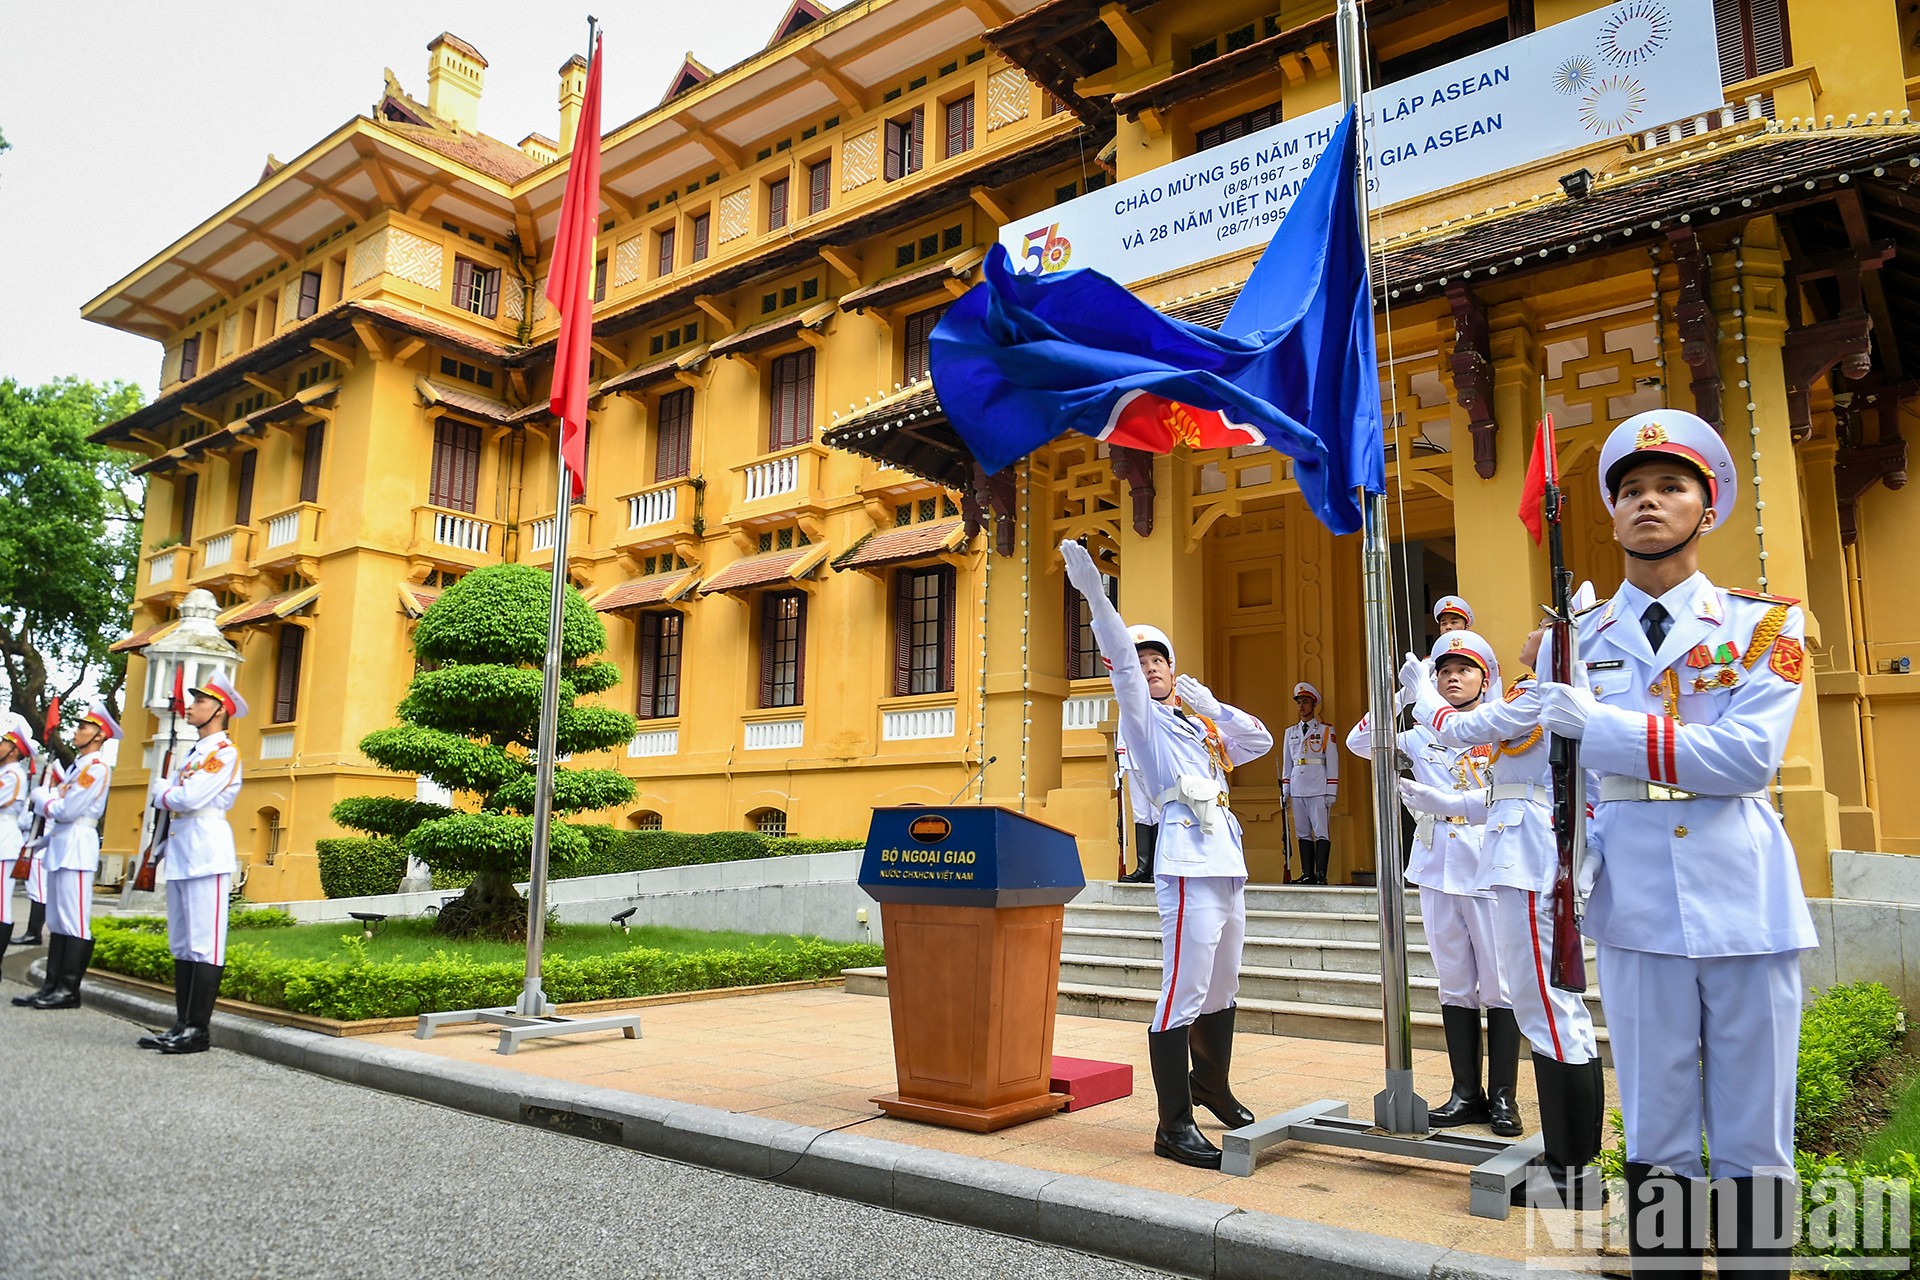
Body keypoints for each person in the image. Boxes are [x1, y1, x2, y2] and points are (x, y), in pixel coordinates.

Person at [1534, 409, 1816, 1277]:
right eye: (1630, 491)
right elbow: (1561, 785)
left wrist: (1603, 727)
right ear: (1611, 516)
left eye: (1670, 488)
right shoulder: (1569, 643)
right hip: (1634, 903)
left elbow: (1744, 759)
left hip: (1746, 902)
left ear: (1708, 507)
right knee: (1655, 1128)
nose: (1647, 503)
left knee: (1753, 1135)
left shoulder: (1767, 626)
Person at [1061, 538, 1273, 1169]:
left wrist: (1209, 705)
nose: (1148, 667)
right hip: (1184, 862)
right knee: (1182, 987)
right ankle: (1171, 1124)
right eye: (1140, 658)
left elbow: (1258, 741)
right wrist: (1098, 599)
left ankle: (1211, 1085)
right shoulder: (1143, 724)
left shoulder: (1196, 725)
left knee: (1223, 984)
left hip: (1226, 862)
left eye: (1159, 660)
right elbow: (1124, 671)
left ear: (1175, 670)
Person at [1401, 629, 1602, 1196]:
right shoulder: (1538, 695)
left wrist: (1423, 695)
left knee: (1547, 1010)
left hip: (1530, 859)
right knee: (1548, 1011)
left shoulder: (1543, 696)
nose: (1530, 629)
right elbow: (1505, 791)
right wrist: (1449, 803)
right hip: (1516, 853)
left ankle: (1572, 1173)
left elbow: (1459, 729)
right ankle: (1570, 1163)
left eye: (1546, 624)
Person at [1347, 633, 1516, 1134]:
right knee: (1456, 983)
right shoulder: (1420, 733)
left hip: (1489, 865)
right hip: (1438, 864)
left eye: (1464, 669)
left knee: (1501, 985)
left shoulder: (1501, 727)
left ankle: (1504, 1097)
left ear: (1486, 678)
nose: (1452, 678)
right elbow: (1361, 742)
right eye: (1443, 671)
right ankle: (1466, 1092)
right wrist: (1402, 696)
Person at [141, 672, 246, 1055]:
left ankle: (198, 1031)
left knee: (206, 943)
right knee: (183, 943)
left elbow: (189, 798)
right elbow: (181, 798)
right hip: (182, 850)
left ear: (219, 710)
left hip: (206, 851)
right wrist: (171, 794)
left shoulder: (225, 753)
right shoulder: (194, 753)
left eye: (200, 701)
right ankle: (181, 1023)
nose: (192, 705)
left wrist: (164, 792)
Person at [17, 706, 117, 1010]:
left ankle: (69, 990)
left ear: (99, 735)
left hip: (76, 846)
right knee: (58, 921)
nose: (76, 732)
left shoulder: (96, 768)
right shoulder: (77, 768)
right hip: (62, 843)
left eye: (83, 728)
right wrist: (41, 840)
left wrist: (43, 799)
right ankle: (51, 986)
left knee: (74, 921)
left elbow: (69, 810)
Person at [1279, 682, 1338, 884]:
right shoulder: (1290, 732)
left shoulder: (1325, 731)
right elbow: (1288, 763)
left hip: (1318, 786)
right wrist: (1285, 789)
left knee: (1321, 831)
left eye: (1305, 702)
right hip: (1297, 787)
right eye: (1299, 703)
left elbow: (1332, 760)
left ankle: (1321, 875)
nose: (1302, 706)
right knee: (1302, 831)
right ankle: (1307, 874)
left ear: (1314, 705)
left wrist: (1332, 790)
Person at [0, 715, 35, 969]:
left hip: (4, 842)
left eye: (3, 742)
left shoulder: (12, 774)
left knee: (1, 905)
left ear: (14, 750)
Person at [1115, 726, 1160, 883]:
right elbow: (1123, 727)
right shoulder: (1129, 700)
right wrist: (1121, 762)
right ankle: (1143, 867)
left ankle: (1158, 867)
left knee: (1157, 813)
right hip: (1132, 761)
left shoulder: (1161, 700)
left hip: (1155, 760)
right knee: (1140, 813)